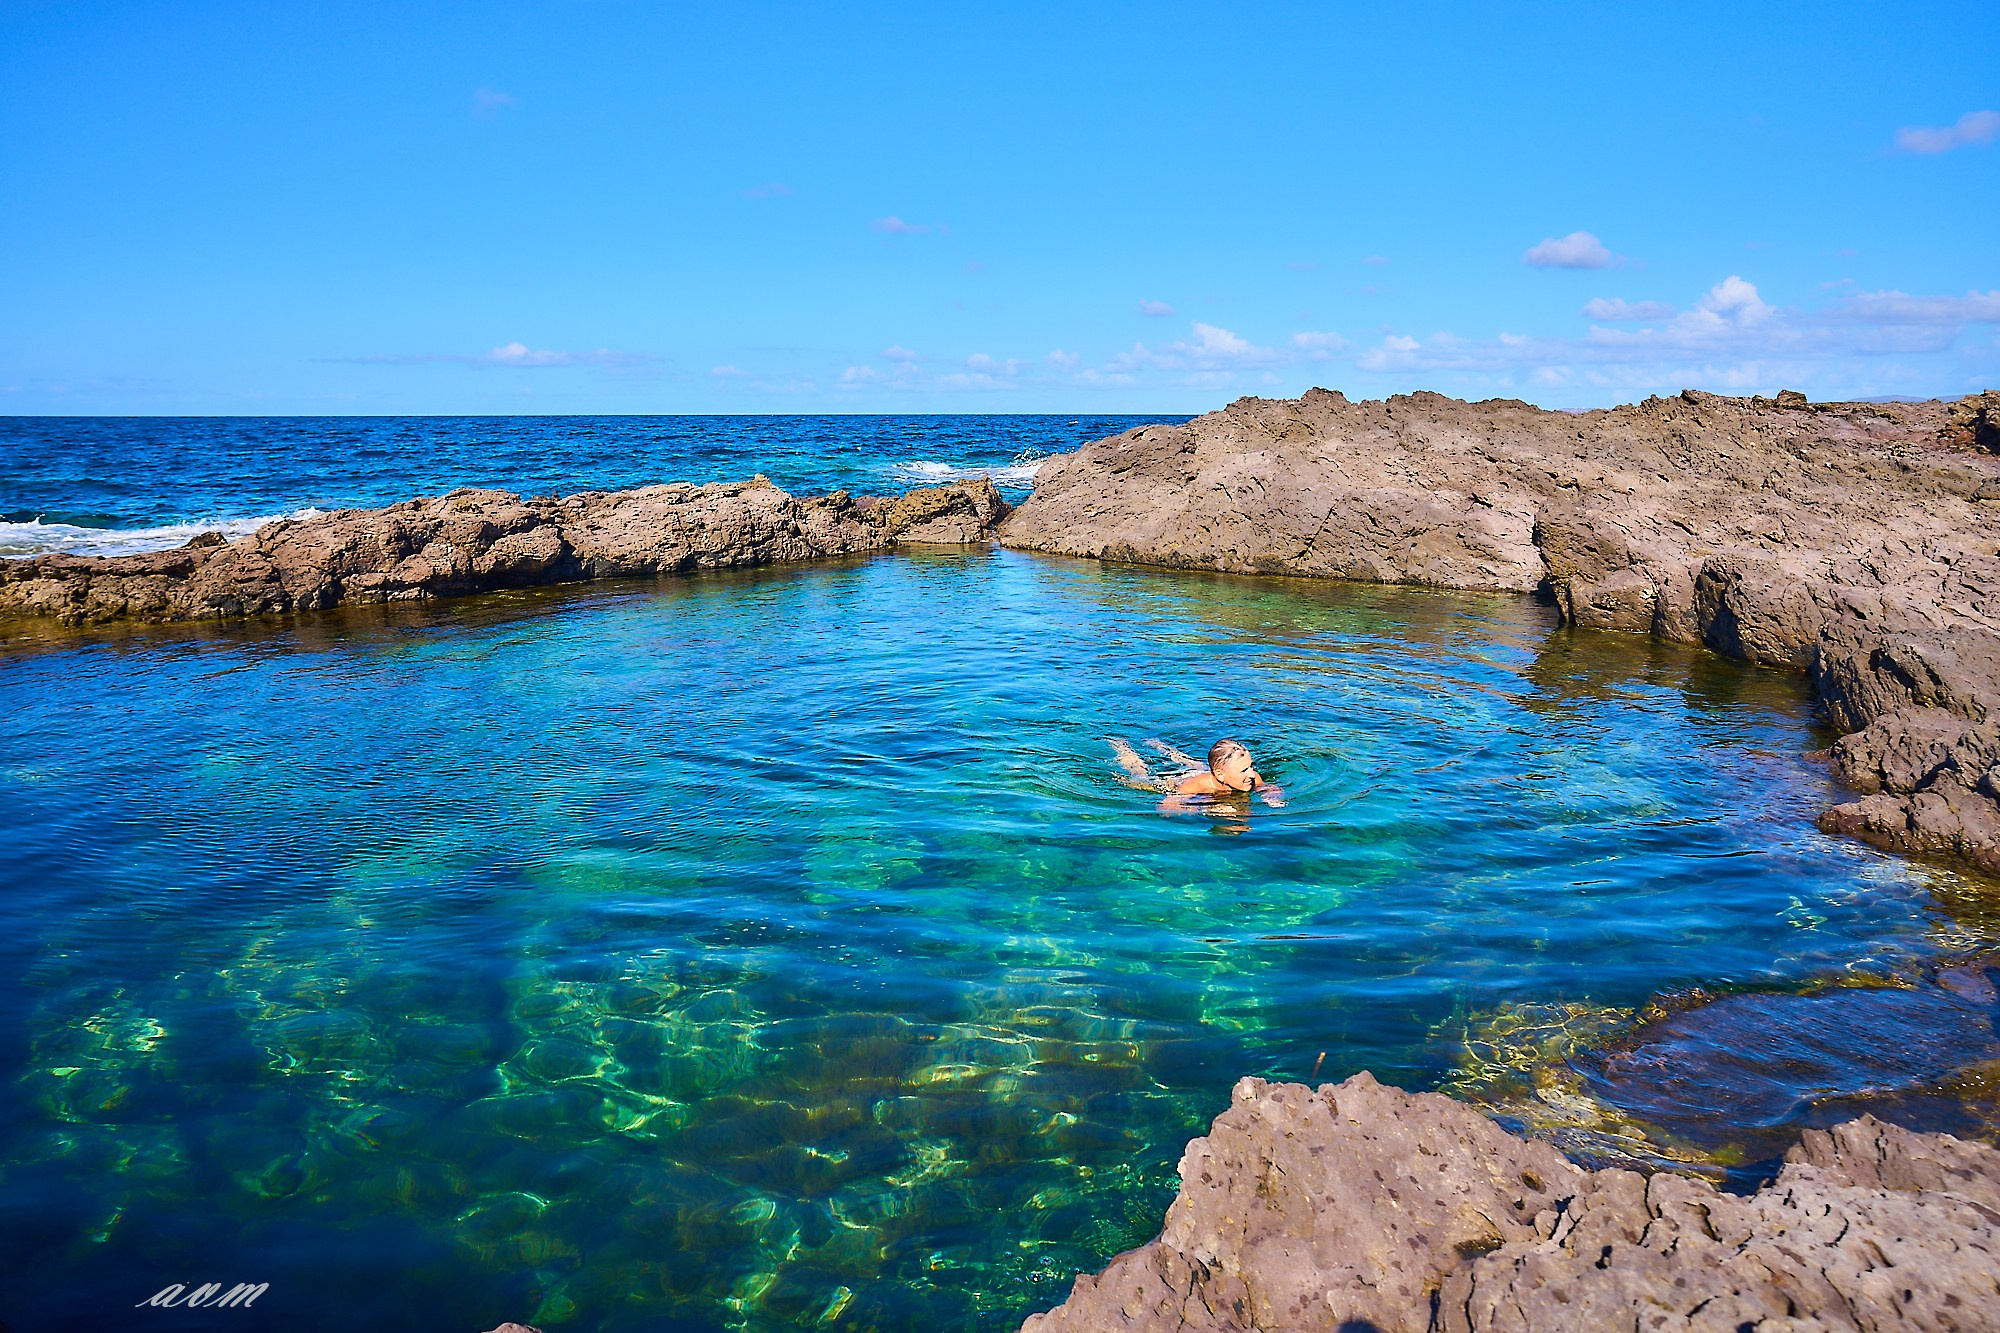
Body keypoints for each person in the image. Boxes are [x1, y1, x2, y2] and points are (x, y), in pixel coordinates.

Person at [1108, 737, 1286, 809]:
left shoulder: (1252, 777)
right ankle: (1123, 747)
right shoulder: (1197, 785)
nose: (1251, 773)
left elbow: (1268, 788)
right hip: (1177, 781)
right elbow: (1166, 806)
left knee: (1197, 764)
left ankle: (1161, 746)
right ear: (1221, 775)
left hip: (1207, 772)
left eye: (1250, 766)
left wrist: (1272, 797)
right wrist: (1205, 807)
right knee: (1140, 776)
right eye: (1243, 770)